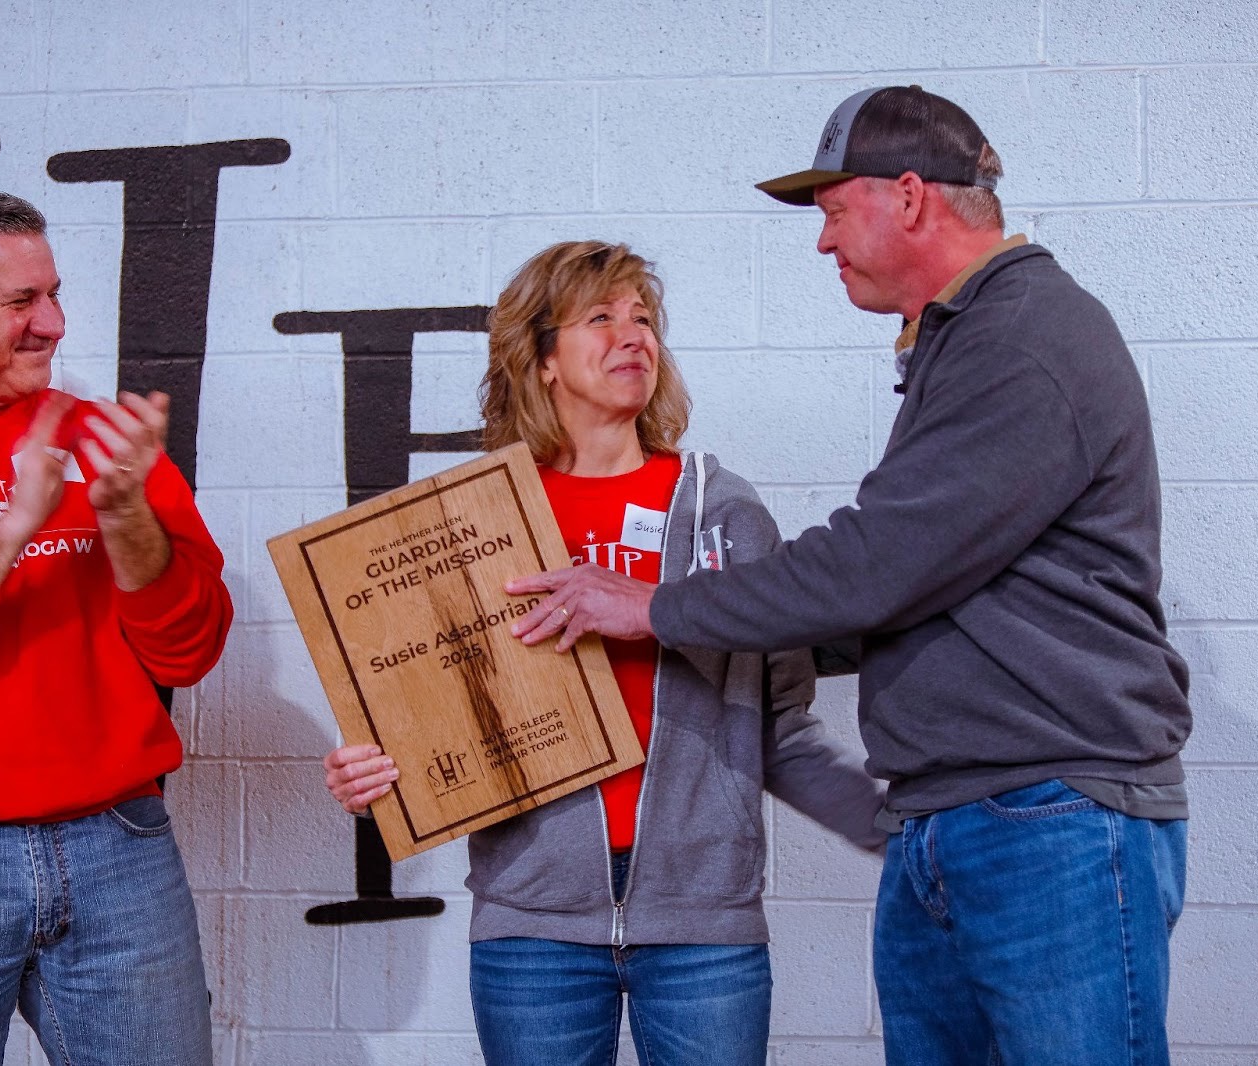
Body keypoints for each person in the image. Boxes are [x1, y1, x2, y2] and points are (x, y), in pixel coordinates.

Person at [508, 88, 1193, 1065]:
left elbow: (880, 561)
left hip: (1047, 819)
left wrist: (655, 605)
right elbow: (908, 583)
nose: (822, 244)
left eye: (833, 212)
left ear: (908, 198)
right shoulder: (966, 338)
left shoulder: (1025, 336)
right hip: (963, 817)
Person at [323, 240, 884, 1066]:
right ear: (542, 359)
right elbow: (437, 721)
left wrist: (897, 830)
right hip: (531, 931)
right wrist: (374, 776)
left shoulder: (722, 513)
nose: (634, 336)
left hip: (704, 930)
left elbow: (780, 724)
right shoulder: (474, 525)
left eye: (644, 319)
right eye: (601, 319)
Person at [0, 189, 232, 1065]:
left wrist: (126, 519)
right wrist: (11, 530)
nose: (56, 323)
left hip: (120, 846)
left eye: (56, 293)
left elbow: (190, 648)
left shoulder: (107, 443)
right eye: (22, 301)